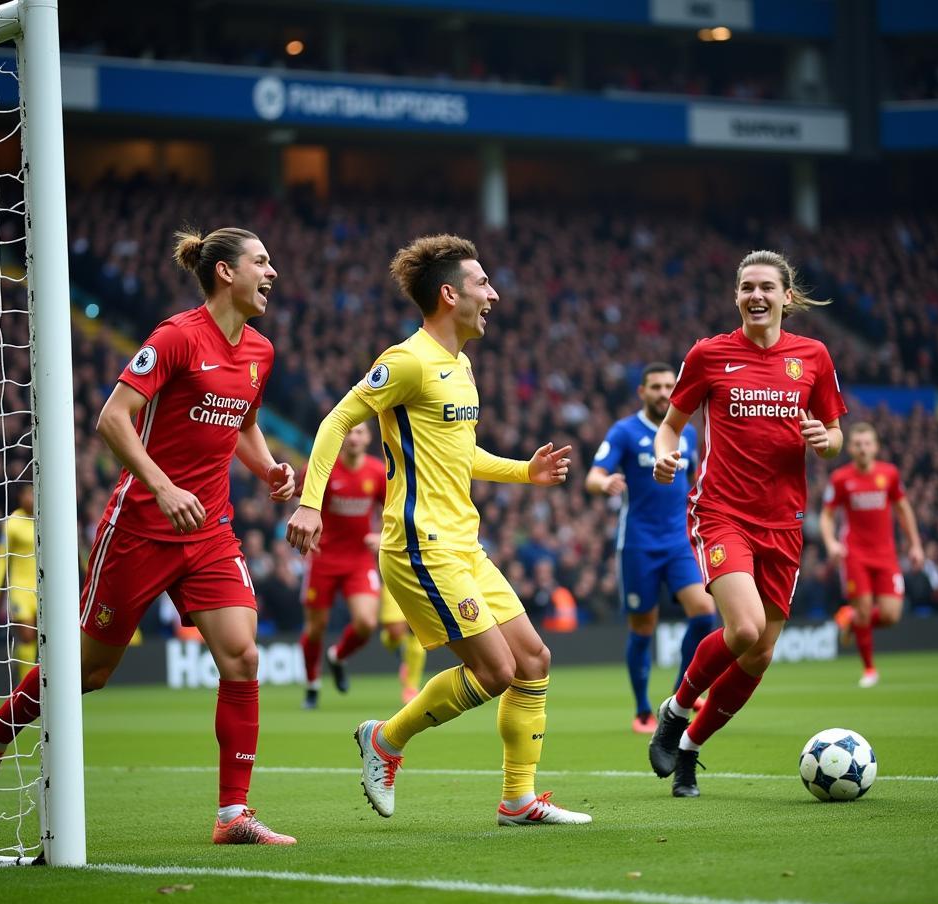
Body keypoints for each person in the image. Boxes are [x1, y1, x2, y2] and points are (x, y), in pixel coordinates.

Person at [0, 226, 298, 845]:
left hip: (210, 529)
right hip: (142, 525)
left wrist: (269, 466)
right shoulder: (174, 337)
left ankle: (233, 815)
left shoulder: (260, 352)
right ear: (226, 272)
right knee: (89, 673)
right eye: (262, 261)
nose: (272, 273)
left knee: (243, 656)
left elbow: (242, 426)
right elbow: (112, 419)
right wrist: (164, 488)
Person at [286, 233, 591, 827]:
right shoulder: (406, 361)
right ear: (450, 294)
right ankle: (385, 740)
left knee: (533, 659)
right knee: (495, 670)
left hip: (462, 542)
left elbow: (461, 453)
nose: (493, 295)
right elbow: (336, 419)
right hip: (419, 544)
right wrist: (310, 503)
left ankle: (518, 800)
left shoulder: (461, 365)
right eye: (482, 284)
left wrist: (524, 472)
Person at [647, 249, 846, 798]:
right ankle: (676, 709)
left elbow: (834, 437)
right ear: (736, 296)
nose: (755, 296)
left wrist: (825, 442)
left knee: (759, 653)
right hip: (722, 511)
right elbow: (671, 427)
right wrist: (664, 455)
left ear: (787, 296)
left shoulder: (814, 356)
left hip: (785, 521)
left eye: (766, 287)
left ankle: (689, 749)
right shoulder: (709, 355)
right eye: (746, 287)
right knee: (745, 629)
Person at [586, 362, 716, 734]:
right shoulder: (625, 432)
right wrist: (606, 482)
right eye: (656, 387)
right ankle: (643, 710)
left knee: (705, 614)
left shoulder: (687, 434)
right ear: (642, 392)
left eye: (668, 386)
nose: (663, 393)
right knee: (643, 626)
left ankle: (679, 698)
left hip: (679, 542)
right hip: (639, 544)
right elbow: (592, 476)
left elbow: (693, 481)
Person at [298, 422, 423, 709]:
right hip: (323, 557)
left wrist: (381, 536)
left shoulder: (377, 472)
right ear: (340, 437)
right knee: (316, 628)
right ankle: (312, 685)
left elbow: (394, 510)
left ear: (368, 438)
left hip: (359, 560)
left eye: (359, 432)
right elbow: (301, 499)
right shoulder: (323, 468)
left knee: (366, 623)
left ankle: (337, 657)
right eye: (348, 432)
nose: (353, 437)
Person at [820, 421, 924, 688]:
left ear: (876, 447)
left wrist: (915, 545)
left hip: (886, 554)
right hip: (855, 554)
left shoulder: (889, 474)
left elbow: (903, 509)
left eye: (868, 443)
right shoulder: (841, 478)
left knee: (890, 615)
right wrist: (831, 543)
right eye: (857, 444)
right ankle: (869, 670)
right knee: (864, 610)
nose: (863, 448)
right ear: (851, 448)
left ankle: (850, 620)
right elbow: (827, 515)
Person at [0, 482, 38, 676]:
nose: (31, 499)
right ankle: (25, 688)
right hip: (20, 588)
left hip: (41, 589)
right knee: (27, 636)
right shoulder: (12, 522)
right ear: (20, 497)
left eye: (34, 494)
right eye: (27, 495)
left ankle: (23, 663)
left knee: (38, 639)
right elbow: (2, 558)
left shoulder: (45, 519)